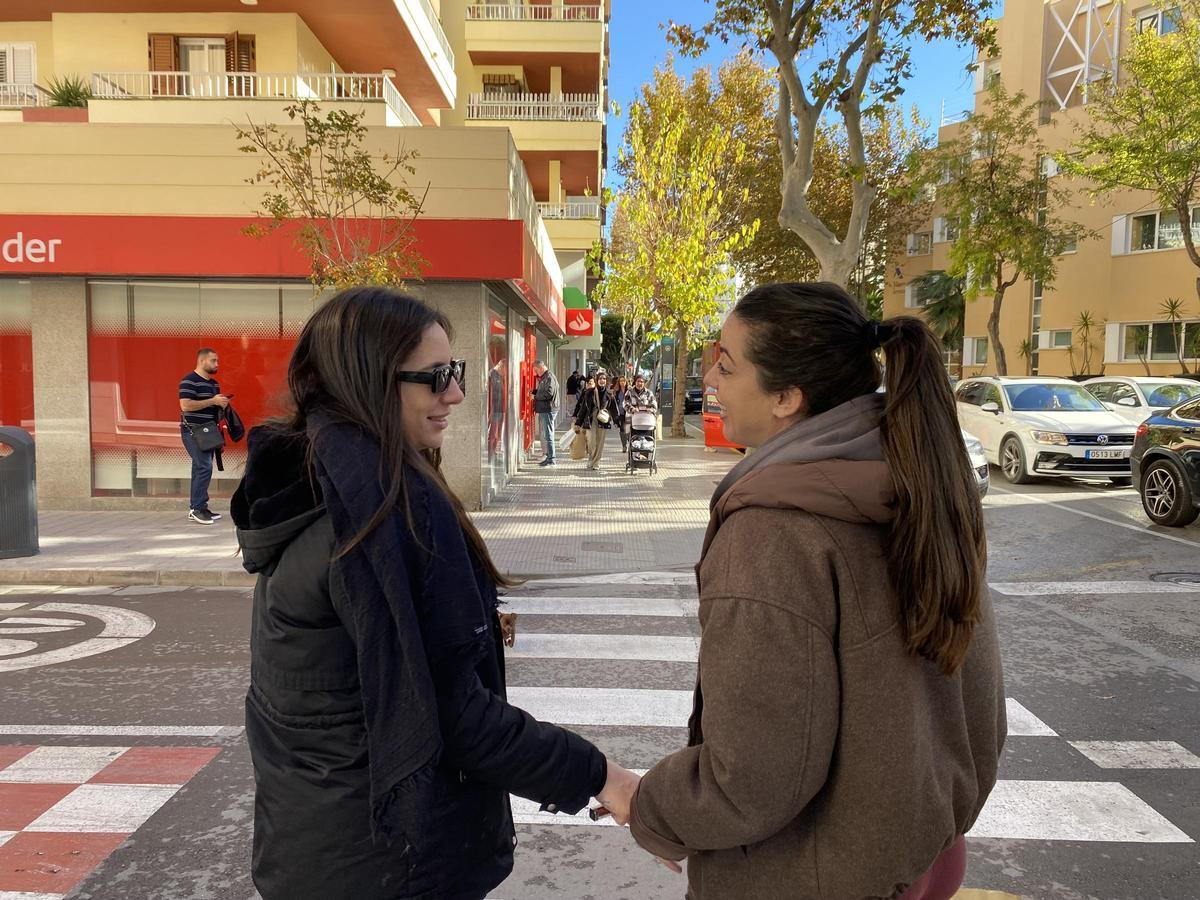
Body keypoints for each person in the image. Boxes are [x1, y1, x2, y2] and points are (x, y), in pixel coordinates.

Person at [232, 287, 639, 900]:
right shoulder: (384, 514)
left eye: (457, 372)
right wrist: (607, 778)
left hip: (317, 846)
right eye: (436, 377)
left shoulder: (320, 484)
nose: (455, 393)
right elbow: (449, 717)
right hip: (387, 862)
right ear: (370, 382)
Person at [608, 283, 1005, 899]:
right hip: (924, 856)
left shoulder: (771, 535)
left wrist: (648, 805)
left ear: (787, 398)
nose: (709, 376)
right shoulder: (923, 483)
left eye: (726, 363)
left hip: (817, 875)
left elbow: (755, 777)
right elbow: (979, 708)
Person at [178, 347, 230, 525]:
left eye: (217, 360)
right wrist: (213, 401)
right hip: (192, 431)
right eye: (213, 360)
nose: (217, 364)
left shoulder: (214, 384)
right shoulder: (189, 381)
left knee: (200, 467)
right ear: (201, 361)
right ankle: (197, 508)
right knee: (204, 467)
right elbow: (186, 406)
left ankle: (199, 506)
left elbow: (211, 408)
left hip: (209, 432)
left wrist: (221, 405)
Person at [573, 370, 620, 472]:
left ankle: (596, 462)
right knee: (591, 440)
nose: (602, 380)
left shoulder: (609, 394)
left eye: (604, 379)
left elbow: (614, 409)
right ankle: (591, 456)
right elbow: (583, 409)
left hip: (603, 419)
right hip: (591, 419)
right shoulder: (589, 392)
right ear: (596, 380)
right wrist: (578, 422)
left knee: (600, 442)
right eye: (600, 379)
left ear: (606, 381)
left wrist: (617, 422)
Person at [531, 359, 559, 466]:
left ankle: (551, 459)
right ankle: (549, 457)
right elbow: (544, 391)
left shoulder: (549, 377)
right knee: (547, 434)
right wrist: (535, 391)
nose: (536, 372)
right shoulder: (547, 377)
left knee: (548, 435)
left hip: (548, 409)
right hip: (547, 408)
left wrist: (535, 396)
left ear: (541, 367)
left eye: (536, 370)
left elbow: (549, 393)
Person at [613, 375, 631, 452]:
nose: (622, 382)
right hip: (620, 413)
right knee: (622, 429)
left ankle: (630, 443)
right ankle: (624, 446)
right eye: (621, 381)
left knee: (629, 429)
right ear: (619, 382)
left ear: (626, 382)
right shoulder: (616, 392)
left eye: (623, 381)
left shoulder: (629, 390)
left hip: (629, 412)